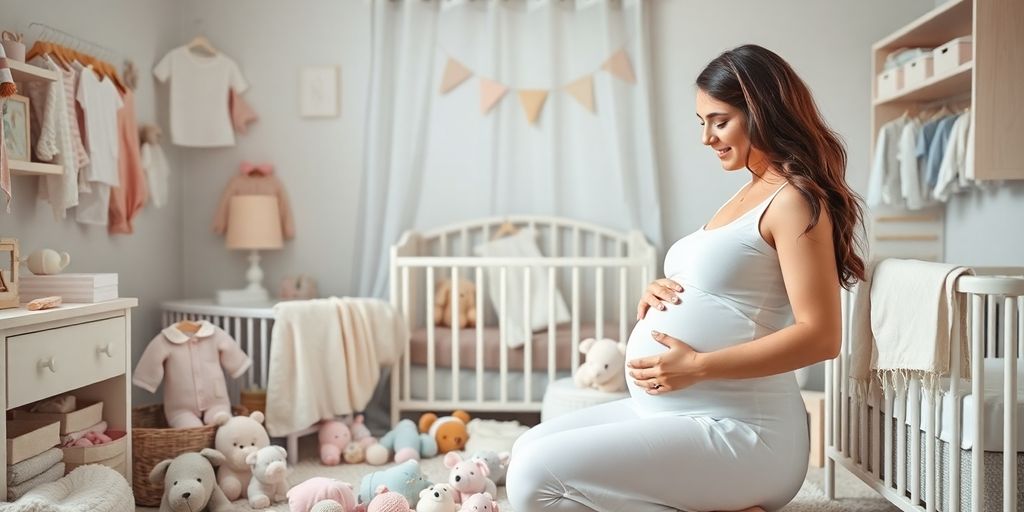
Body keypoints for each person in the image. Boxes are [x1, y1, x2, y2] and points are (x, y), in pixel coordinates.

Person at [505, 44, 866, 512]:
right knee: (526, 451)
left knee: (534, 477)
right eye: (702, 123)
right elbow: (727, 284)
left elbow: (821, 336)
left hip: (744, 431)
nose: (706, 138)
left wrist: (697, 366)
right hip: (672, 412)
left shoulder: (794, 201)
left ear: (762, 113)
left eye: (720, 121)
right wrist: (662, 288)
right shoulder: (748, 192)